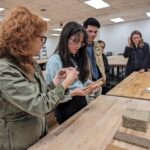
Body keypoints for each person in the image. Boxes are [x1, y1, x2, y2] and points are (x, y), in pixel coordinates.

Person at [0, 6, 78, 150]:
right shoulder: (4, 70)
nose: (43, 43)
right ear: (24, 38)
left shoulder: (29, 62)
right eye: (41, 38)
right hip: (17, 142)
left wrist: (56, 81)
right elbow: (40, 105)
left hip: (37, 135)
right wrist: (66, 83)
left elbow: (41, 95)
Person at [46, 21, 98, 124]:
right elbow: (49, 96)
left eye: (81, 43)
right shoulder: (54, 61)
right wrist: (71, 94)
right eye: (75, 41)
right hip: (66, 107)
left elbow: (77, 82)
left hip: (80, 102)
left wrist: (87, 83)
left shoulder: (74, 57)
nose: (78, 46)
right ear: (65, 39)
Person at [83, 18, 106, 98]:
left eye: (95, 32)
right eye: (90, 31)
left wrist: (103, 79)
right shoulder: (79, 46)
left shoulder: (97, 45)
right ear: (84, 30)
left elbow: (101, 64)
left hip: (98, 81)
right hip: (87, 84)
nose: (93, 34)